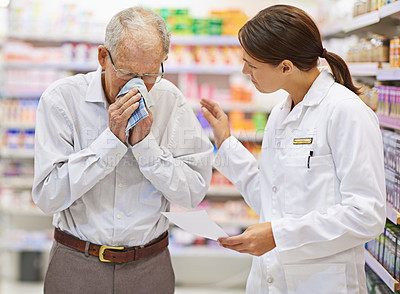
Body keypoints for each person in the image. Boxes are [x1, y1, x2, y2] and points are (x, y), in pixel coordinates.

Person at [200, 4, 386, 294]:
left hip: (322, 282)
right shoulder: (281, 113)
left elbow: (366, 215)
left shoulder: (346, 112)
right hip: (271, 280)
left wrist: (278, 235)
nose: (244, 70)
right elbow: (270, 199)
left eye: (252, 64)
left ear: (285, 67)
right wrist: (225, 142)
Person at [32, 6, 213, 294]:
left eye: (151, 74)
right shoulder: (62, 100)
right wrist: (110, 143)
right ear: (103, 57)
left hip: (149, 266)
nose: (139, 85)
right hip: (76, 262)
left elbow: (192, 194)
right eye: (127, 73)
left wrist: (145, 148)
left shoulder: (171, 101)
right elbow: (47, 197)